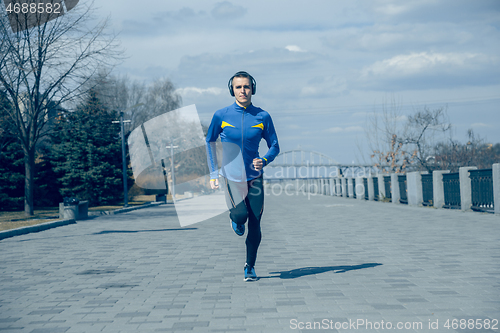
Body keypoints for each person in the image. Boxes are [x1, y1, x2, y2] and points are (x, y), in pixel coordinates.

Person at [205, 71, 280, 281]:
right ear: (232, 90)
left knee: (255, 222)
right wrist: (213, 172)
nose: (243, 91)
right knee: (241, 215)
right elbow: (209, 141)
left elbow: (275, 145)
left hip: (254, 177)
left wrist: (264, 160)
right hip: (231, 176)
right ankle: (235, 220)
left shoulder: (262, 116)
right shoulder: (221, 115)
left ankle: (250, 266)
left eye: (246, 86)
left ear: (252, 88)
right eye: (238, 87)